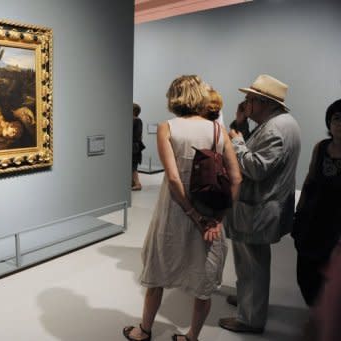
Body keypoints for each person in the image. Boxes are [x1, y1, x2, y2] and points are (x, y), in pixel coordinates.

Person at [123, 75, 242, 341]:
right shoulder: (217, 130)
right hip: (211, 216)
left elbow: (174, 178)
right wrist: (217, 219)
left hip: (174, 213)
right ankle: (191, 337)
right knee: (204, 282)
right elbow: (236, 179)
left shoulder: (168, 128)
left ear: (174, 97)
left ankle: (144, 331)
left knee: (157, 273)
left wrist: (193, 214)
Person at [218, 74, 301, 333]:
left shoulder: (275, 128)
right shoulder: (280, 123)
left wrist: (237, 141)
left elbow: (255, 167)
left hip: (259, 209)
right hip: (260, 206)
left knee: (252, 264)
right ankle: (248, 300)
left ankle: (250, 318)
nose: (245, 104)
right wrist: (241, 125)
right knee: (251, 262)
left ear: (263, 101)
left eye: (249, 99)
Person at [292, 99, 341, 306]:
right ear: (329, 123)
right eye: (337, 119)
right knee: (305, 274)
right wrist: (299, 212)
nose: (340, 124)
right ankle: (315, 313)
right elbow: (310, 180)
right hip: (312, 221)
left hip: (336, 227)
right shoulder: (321, 147)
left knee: (331, 279)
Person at [132, 103, 145, 191]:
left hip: (134, 147)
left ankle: (137, 184)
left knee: (133, 167)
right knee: (132, 166)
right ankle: (133, 182)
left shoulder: (137, 121)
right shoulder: (135, 120)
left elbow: (136, 136)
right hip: (133, 146)